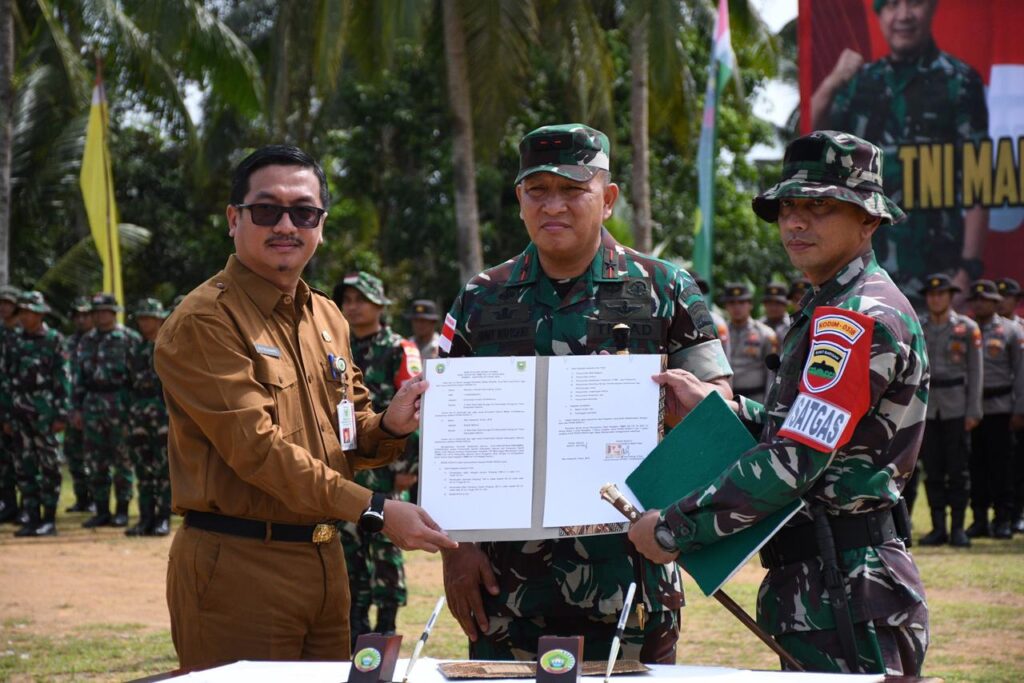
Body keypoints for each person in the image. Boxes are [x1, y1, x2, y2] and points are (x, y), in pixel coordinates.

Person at [631, 131, 930, 675]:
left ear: (869, 219)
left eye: (819, 207)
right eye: (788, 206)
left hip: (847, 591)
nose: (795, 222)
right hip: (825, 583)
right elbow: (805, 431)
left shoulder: (854, 318)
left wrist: (676, 527)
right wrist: (715, 410)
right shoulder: (830, 306)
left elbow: (795, 459)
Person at [439, 123, 733, 663]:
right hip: (508, 583)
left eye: (573, 189)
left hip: (632, 570)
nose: (554, 205)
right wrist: (457, 551)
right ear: (519, 200)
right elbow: (449, 434)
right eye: (538, 190)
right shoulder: (481, 298)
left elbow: (714, 410)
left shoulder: (666, 290)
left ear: (608, 197)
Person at [154, 144, 455, 669]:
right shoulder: (206, 320)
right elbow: (258, 451)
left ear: (320, 222)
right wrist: (378, 510)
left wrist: (388, 423)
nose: (286, 225)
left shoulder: (327, 316)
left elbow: (345, 430)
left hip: (325, 558)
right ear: (234, 218)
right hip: (240, 565)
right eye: (266, 210)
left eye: (304, 212)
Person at [812, 0, 988, 306]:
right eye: (892, 5)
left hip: (937, 276)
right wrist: (832, 83)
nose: (903, 15)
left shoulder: (960, 80)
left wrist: (967, 269)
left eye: (915, 3)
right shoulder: (861, 82)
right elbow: (815, 141)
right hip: (864, 269)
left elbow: (979, 175)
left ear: (932, 9)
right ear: (879, 15)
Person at [333, 271, 423, 645]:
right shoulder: (336, 349)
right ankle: (355, 626)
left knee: (385, 547)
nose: (352, 307)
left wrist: (408, 467)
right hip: (345, 466)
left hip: (387, 468)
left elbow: (418, 407)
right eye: (347, 300)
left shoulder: (401, 349)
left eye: (361, 300)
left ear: (380, 304)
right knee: (348, 545)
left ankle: (386, 625)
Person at [915, 273, 981, 547]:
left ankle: (958, 529)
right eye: (931, 294)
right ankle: (938, 527)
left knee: (958, 471)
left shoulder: (966, 327)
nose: (936, 298)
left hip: (956, 406)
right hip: (928, 409)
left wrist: (973, 410)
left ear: (951, 296)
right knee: (932, 469)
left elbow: (975, 372)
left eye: (941, 293)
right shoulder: (918, 327)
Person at [0, 291, 70, 537]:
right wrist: (6, 416)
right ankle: (31, 516)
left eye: (31, 312)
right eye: (24, 312)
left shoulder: (54, 340)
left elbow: (62, 378)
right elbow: (6, 380)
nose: (26, 316)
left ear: (40, 314)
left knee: (49, 466)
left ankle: (48, 519)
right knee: (24, 466)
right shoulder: (13, 341)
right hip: (19, 412)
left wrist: (61, 414)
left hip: (45, 412)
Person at [73, 292, 141, 529]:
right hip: (92, 403)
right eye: (97, 312)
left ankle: (122, 510)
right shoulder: (87, 340)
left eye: (104, 311)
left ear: (113, 313)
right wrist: (77, 409)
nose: (100, 315)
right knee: (95, 460)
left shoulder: (129, 338)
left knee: (122, 459)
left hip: (119, 402)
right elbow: (79, 376)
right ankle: (101, 509)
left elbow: (137, 378)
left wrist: (133, 410)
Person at [964, 280, 1024, 540]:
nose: (980, 303)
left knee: (1002, 467)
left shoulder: (1011, 331)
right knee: (975, 466)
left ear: (995, 302)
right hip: (970, 410)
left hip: (1001, 407)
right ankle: (979, 519)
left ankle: (1003, 519)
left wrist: (1019, 409)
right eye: (976, 299)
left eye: (986, 299)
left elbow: (1021, 373)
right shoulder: (964, 330)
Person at [125, 298, 172, 537]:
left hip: (163, 413)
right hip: (139, 416)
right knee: (142, 469)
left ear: (160, 319)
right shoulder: (135, 349)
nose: (145, 322)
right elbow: (127, 385)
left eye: (149, 318)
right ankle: (145, 518)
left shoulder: (170, 346)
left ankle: (163, 518)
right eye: (141, 318)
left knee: (164, 468)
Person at [995, 278, 1024, 533]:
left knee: (1017, 465)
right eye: (999, 296)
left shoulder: (1019, 330)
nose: (1002, 301)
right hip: (994, 407)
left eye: (1008, 296)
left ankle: (1016, 514)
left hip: (1015, 405)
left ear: (1016, 301)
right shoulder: (986, 330)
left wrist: (1020, 409)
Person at [720, 282, 778, 404]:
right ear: (726, 306)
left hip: (756, 399)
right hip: (727, 398)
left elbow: (771, 373)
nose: (737, 307)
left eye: (741, 302)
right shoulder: (720, 332)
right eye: (732, 303)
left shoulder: (765, 334)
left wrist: (769, 402)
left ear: (750, 304)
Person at [63, 296, 94, 514]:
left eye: (85, 315)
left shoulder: (99, 341)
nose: (81, 320)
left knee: (94, 456)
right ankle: (81, 498)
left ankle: (96, 499)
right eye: (78, 316)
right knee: (73, 455)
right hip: (69, 406)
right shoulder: (68, 344)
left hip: (95, 407)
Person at [0, 285, 22, 524]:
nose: (4, 307)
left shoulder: (23, 335)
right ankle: (8, 503)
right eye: (1, 303)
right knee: (4, 461)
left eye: (9, 303)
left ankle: (30, 507)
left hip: (22, 406)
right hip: (3, 404)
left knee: (24, 459)